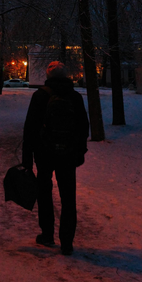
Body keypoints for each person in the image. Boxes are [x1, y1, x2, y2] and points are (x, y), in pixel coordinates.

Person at [22, 61, 89, 255]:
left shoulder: (40, 96)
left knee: (44, 193)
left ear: (48, 76)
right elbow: (83, 126)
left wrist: (27, 158)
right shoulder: (75, 97)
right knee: (68, 197)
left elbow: (30, 128)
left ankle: (47, 234)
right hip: (68, 154)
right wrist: (80, 152)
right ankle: (67, 242)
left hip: (44, 153)